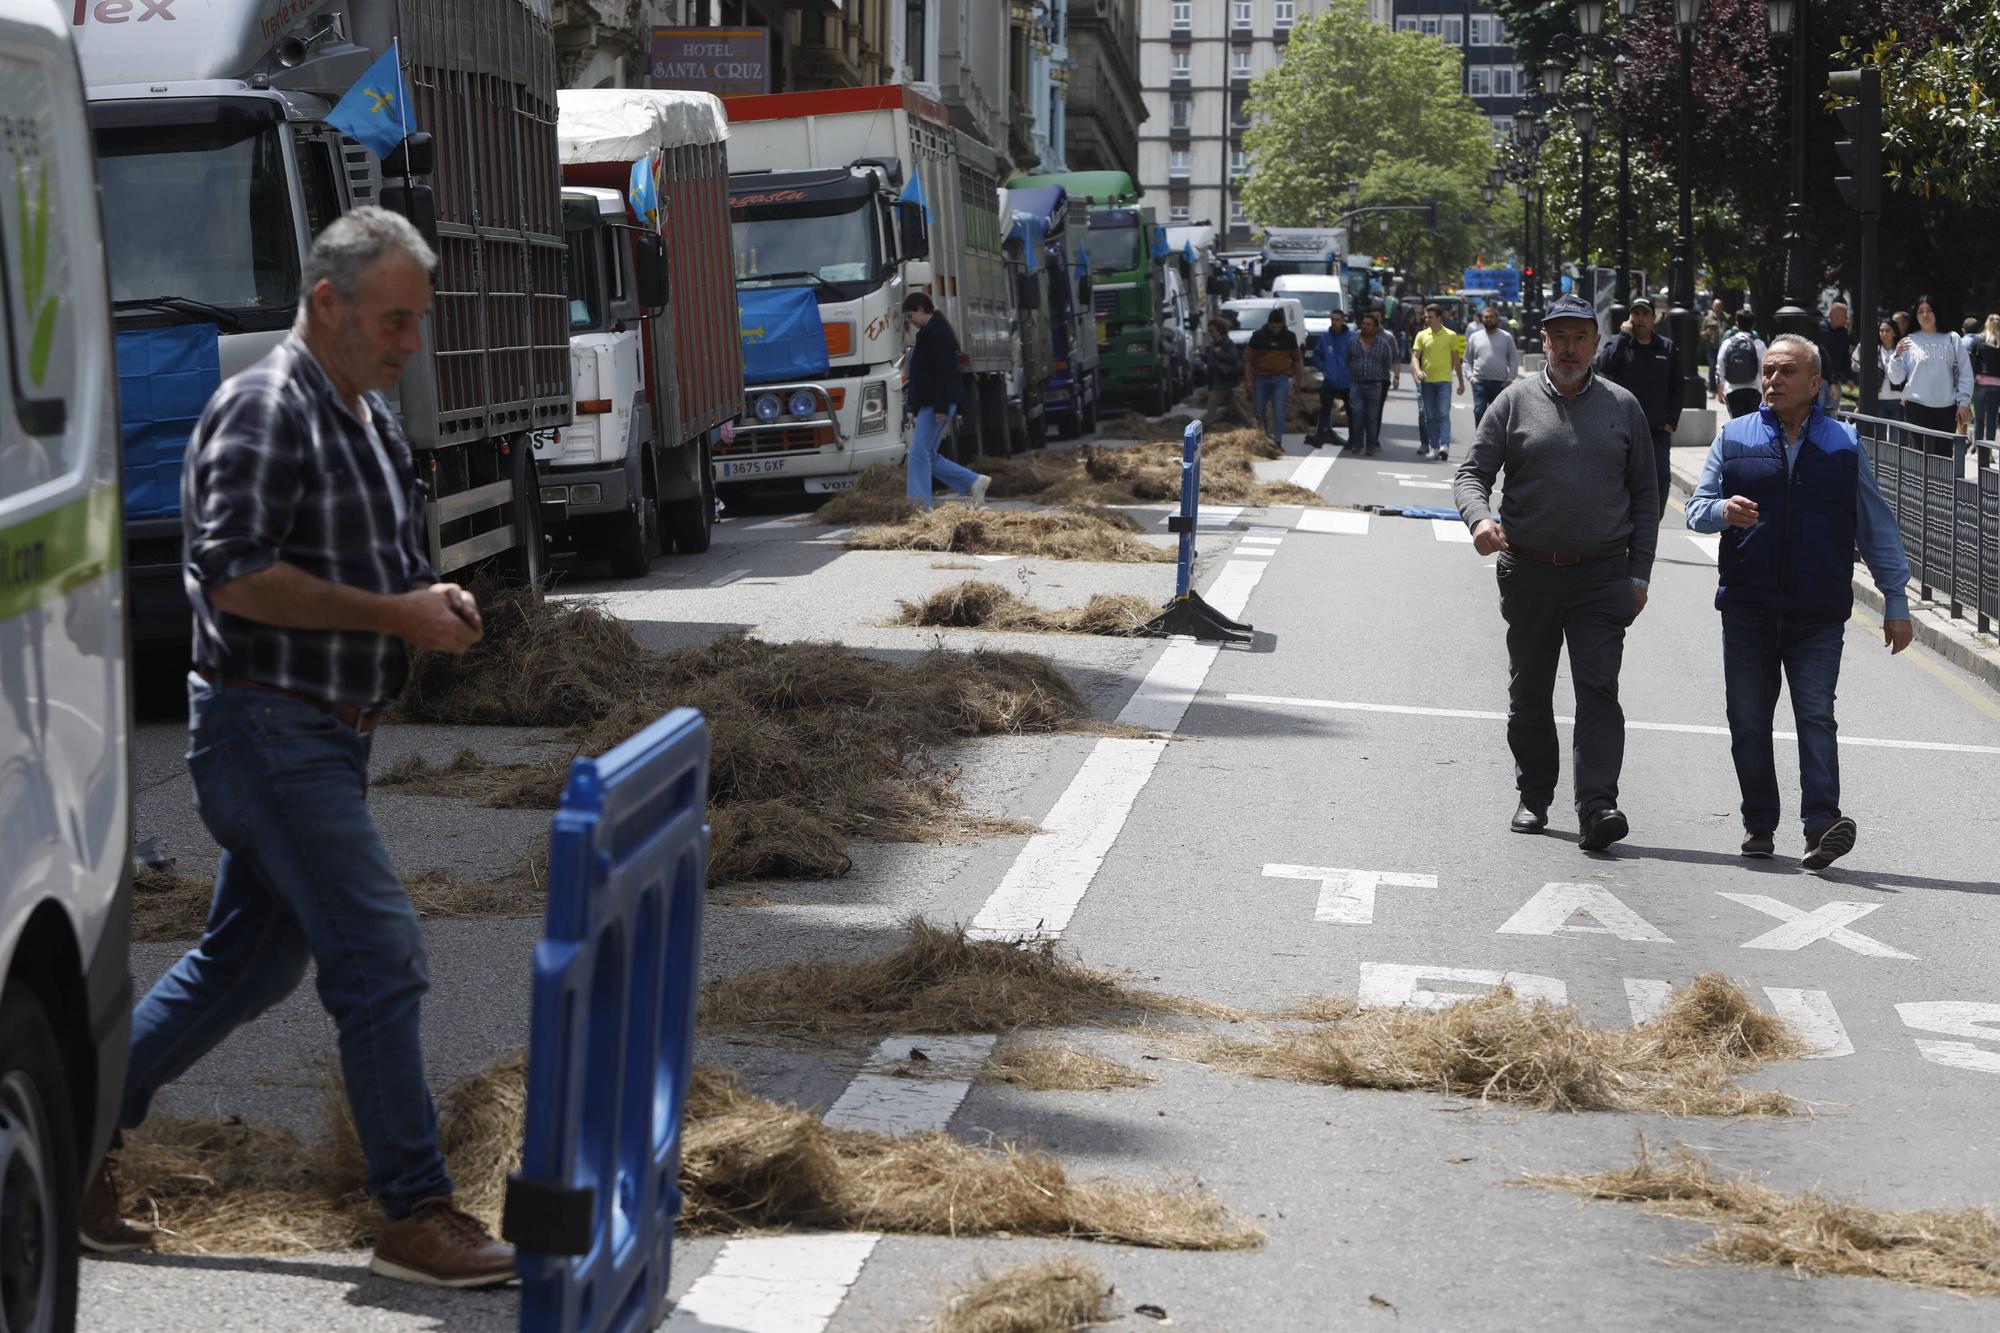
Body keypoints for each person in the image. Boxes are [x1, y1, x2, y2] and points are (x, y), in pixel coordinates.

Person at [82, 208, 515, 1287]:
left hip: (318, 732)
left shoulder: (356, 409)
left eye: (417, 322)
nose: (409, 344)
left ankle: (68, 1135)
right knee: (379, 956)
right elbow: (234, 576)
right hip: (267, 730)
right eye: (393, 321)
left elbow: (369, 568)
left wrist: (429, 602)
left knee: (249, 961)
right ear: (327, 304)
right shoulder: (265, 406)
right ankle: (413, 1209)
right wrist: (397, 616)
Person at [1684, 334, 1914, 868]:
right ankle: (1759, 823)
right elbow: (1696, 509)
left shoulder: (1844, 443)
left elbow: (1875, 525)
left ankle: (1821, 825)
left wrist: (1896, 599)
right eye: (1767, 372)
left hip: (1817, 610)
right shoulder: (1735, 436)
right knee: (1748, 720)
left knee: (1816, 715)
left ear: (1815, 383)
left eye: (1786, 372)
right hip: (1748, 605)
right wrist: (1722, 511)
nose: (1772, 381)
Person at [1454, 293, 1658, 851]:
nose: (1569, 348)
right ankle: (1534, 794)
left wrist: (1639, 575)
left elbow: (1646, 494)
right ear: (1543, 341)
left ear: (1596, 343)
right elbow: (1471, 474)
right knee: (1531, 691)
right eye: (1559, 337)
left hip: (1601, 575)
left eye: (1580, 338)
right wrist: (1478, 520)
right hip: (1530, 572)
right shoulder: (1513, 402)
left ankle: (1598, 806)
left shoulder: (1624, 406)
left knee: (1598, 690)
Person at [1594, 296, 1682, 518]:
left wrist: (1672, 420)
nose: (1640, 319)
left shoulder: (1667, 348)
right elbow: (1604, 365)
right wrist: (1623, 336)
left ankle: (1650, 524)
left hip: (1656, 430)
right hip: (1623, 428)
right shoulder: (1620, 342)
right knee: (1621, 480)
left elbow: (1677, 387)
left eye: (1645, 314)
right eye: (1636, 314)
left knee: (1660, 482)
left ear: (1653, 318)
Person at [902, 292, 991, 507]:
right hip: (937, 402)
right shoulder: (936, 331)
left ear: (922, 310)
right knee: (928, 455)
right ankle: (974, 482)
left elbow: (944, 373)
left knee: (918, 454)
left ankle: (920, 504)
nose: (910, 321)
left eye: (911, 315)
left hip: (936, 403)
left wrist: (940, 405)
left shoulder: (936, 334)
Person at [1888, 294, 1973, 453]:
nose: (1925, 315)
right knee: (1920, 459)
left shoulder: (1952, 338)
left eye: (1929, 310)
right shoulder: (1909, 341)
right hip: (1916, 407)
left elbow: (1965, 372)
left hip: (1946, 408)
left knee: (1943, 458)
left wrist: (1964, 403)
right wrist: (1896, 356)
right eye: (1920, 311)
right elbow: (1896, 377)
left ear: (1937, 313)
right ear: (1916, 315)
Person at [1411, 303, 1466, 461]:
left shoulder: (1451, 335)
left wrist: (1461, 382)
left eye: (1430, 316)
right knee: (1430, 416)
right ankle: (1434, 447)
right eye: (1426, 316)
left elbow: (1456, 359)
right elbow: (1415, 357)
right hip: (1427, 381)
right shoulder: (1422, 335)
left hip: (1444, 381)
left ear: (1439, 318)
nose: (1427, 319)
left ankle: (1444, 446)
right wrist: (1417, 370)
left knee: (1443, 413)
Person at [1345, 310, 1402, 455]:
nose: (1365, 326)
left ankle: (1370, 445)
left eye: (1368, 324)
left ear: (1375, 328)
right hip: (1356, 384)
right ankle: (1357, 444)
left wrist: (1393, 377)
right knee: (1357, 414)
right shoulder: (1353, 342)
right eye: (1363, 324)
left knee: (1372, 417)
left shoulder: (1383, 344)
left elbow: (1387, 363)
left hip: (1374, 385)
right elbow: (1348, 360)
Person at [1245, 306, 1303, 444]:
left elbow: (1296, 359)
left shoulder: (1289, 337)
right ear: (1269, 324)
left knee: (1279, 409)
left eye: (1278, 327)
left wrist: (1298, 380)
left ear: (1283, 324)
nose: (1276, 330)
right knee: (1258, 410)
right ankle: (1264, 436)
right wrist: (1248, 381)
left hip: (1281, 377)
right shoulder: (1258, 336)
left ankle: (1277, 440)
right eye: (1273, 327)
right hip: (1261, 377)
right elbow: (1248, 359)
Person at [1466, 304, 1520, 427]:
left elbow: (1513, 360)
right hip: (1480, 382)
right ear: (1482, 319)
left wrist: (1510, 379)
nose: (1488, 319)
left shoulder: (1506, 337)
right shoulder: (1474, 337)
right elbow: (1467, 361)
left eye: (1491, 317)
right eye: (1485, 317)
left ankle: (1496, 443)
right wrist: (1471, 377)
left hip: (1500, 383)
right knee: (1479, 411)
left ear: (1497, 319)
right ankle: (1481, 441)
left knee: (1499, 415)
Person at [1311, 307, 1355, 447]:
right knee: (1325, 409)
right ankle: (1320, 436)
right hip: (1330, 380)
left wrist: (1351, 370)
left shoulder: (1351, 337)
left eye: (1337, 320)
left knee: (1350, 411)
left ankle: (1353, 439)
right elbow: (1317, 355)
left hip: (1346, 381)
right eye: (1332, 320)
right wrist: (1324, 368)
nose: (1334, 322)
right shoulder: (1325, 338)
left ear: (1342, 321)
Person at [1715, 310, 1767, 420]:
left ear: (1737, 323)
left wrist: (1720, 388)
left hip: (1732, 390)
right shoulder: (1759, 344)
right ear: (1753, 324)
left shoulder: (1728, 343)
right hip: (1754, 389)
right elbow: (1765, 367)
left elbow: (1720, 365)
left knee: (1736, 422)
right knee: (1753, 423)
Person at [1204, 313, 1246, 425]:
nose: (1211, 334)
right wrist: (1204, 355)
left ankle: (1198, 430)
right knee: (1234, 406)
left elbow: (1233, 358)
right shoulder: (1215, 343)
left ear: (1220, 330)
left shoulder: (1227, 342)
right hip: (1219, 380)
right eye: (1210, 331)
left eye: (1212, 331)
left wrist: (1219, 353)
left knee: (1211, 406)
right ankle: (1250, 425)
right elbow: (1212, 360)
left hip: (1223, 380)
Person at [1813, 301, 1853, 414]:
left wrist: (1848, 377)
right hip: (1820, 378)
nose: (1847, 319)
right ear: (1836, 316)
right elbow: (1823, 357)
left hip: (1836, 379)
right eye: (1845, 316)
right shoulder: (1819, 330)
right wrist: (1832, 382)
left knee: (1832, 413)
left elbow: (1845, 356)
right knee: (1818, 413)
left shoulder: (1844, 333)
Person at [1862, 318, 1905, 420]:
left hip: (1898, 398)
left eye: (1887, 330)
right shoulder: (1874, 351)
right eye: (1881, 330)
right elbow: (1867, 377)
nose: (1884, 334)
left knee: (1896, 435)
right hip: (1879, 399)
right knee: (1880, 434)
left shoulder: (1902, 352)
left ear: (1894, 333)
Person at [1972, 314, 2000, 444]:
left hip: (1980, 382)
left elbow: (1973, 362)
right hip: (1996, 384)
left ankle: (1978, 449)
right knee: (1992, 419)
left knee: (1978, 419)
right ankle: (1989, 450)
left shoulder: (1978, 339)